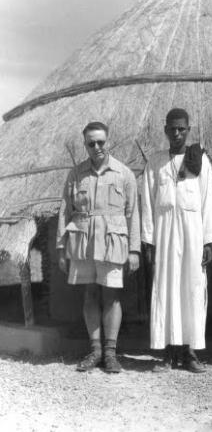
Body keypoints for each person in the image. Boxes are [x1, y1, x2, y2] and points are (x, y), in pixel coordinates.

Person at [141, 108, 212, 373]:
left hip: (193, 234)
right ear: (165, 130)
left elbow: (208, 201)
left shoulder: (199, 160)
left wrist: (209, 242)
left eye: (182, 129)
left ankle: (189, 353)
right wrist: (148, 242)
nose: (176, 133)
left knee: (192, 288)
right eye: (172, 128)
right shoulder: (155, 163)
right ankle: (167, 353)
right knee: (166, 289)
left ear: (189, 130)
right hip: (164, 234)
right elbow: (147, 202)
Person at [57, 121, 140, 373]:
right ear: (85, 145)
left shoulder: (124, 174)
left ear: (108, 141)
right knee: (90, 294)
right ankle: (95, 351)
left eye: (100, 142)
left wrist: (134, 249)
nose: (96, 147)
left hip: (113, 242)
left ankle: (111, 353)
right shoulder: (76, 174)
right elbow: (64, 212)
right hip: (83, 242)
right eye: (91, 143)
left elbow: (133, 213)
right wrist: (61, 249)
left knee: (112, 297)